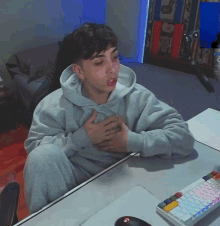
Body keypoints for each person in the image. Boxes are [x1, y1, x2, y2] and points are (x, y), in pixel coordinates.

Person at [23, 22, 195, 215]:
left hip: (127, 179)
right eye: (99, 62)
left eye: (114, 57)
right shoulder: (52, 106)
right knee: (41, 158)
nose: (112, 69)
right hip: (74, 184)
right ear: (79, 71)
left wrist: (132, 141)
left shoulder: (136, 97)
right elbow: (36, 151)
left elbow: (184, 138)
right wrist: (81, 138)